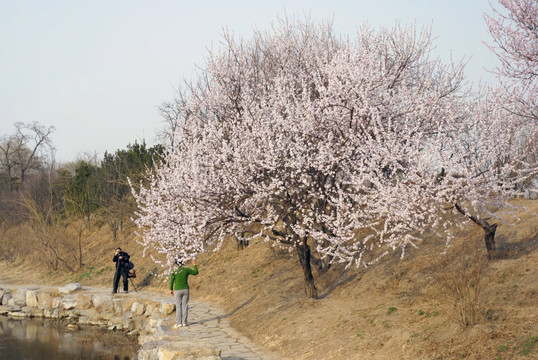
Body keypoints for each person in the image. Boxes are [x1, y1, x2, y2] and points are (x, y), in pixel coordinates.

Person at [170, 258, 198, 328]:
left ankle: (179, 323)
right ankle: (184, 322)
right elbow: (196, 272)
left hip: (177, 290)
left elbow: (171, 281)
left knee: (178, 306)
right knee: (185, 306)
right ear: (183, 263)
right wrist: (194, 264)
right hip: (186, 289)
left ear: (176, 263)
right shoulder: (186, 270)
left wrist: (171, 289)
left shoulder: (174, 271)